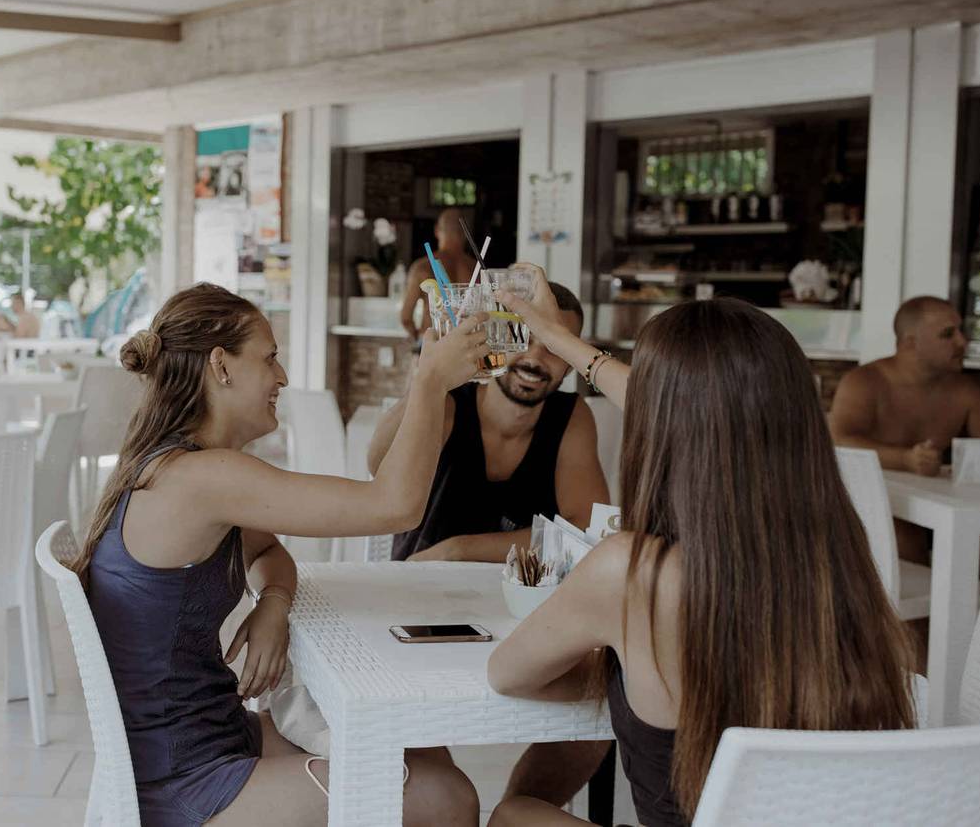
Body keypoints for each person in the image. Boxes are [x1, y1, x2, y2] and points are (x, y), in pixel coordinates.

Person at [487, 267, 917, 827]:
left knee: (515, 815)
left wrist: (615, 652)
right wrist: (560, 338)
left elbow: (510, 675)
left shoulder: (630, 573)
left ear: (661, 428)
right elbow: (697, 411)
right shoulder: (835, 556)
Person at [74, 283, 489, 827]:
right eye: (270, 357)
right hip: (184, 782)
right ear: (221, 366)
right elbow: (395, 508)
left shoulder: (178, 465)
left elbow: (266, 548)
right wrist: (431, 382)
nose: (283, 377)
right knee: (448, 798)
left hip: (210, 737)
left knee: (418, 747)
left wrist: (272, 600)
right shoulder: (201, 478)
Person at [368, 281, 609, 561]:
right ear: (495, 338)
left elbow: (586, 529)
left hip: (520, 597)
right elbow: (378, 466)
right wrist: (427, 379)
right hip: (422, 584)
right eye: (523, 337)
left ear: (570, 363)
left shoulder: (571, 415)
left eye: (555, 347)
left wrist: (459, 550)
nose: (534, 358)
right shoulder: (448, 399)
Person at [829, 296, 980, 571]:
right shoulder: (863, 382)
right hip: (866, 509)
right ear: (911, 343)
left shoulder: (967, 391)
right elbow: (838, 439)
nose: (962, 342)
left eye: (962, 331)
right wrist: (905, 459)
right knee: (903, 537)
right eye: (948, 334)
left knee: (977, 540)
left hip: (935, 507)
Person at [399, 209, 478, 341]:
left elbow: (406, 318)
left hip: (435, 344)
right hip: (467, 344)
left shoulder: (422, 267)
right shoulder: (477, 268)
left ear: (437, 230)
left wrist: (420, 343)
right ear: (465, 233)